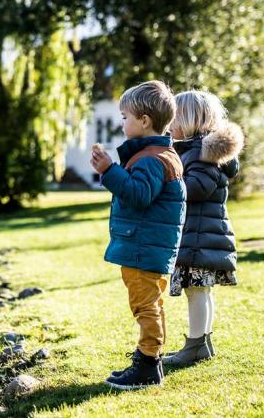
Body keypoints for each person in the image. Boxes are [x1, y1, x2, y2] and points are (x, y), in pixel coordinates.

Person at [90, 80, 186, 390]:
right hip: (146, 245)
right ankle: (148, 360)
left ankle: (147, 366)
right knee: (149, 305)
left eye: (124, 117)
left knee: (146, 306)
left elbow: (138, 194)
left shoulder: (152, 160)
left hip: (144, 248)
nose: (122, 123)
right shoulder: (155, 154)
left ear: (144, 121)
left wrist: (109, 170)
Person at [162, 90, 244, 366]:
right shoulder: (200, 150)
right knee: (201, 291)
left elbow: (198, 187)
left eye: (174, 119)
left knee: (196, 290)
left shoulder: (199, 151)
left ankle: (196, 344)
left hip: (199, 238)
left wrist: (169, 185)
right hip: (204, 234)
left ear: (189, 119)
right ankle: (202, 342)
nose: (169, 125)